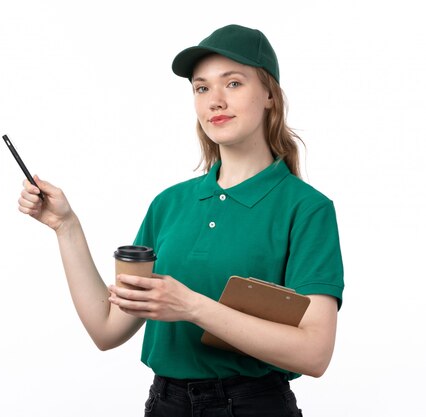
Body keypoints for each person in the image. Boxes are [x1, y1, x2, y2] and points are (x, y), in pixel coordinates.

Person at [17, 24, 343, 417]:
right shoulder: (169, 204)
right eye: (202, 88)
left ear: (270, 94)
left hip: (255, 406)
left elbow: (315, 353)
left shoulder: (306, 208)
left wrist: (191, 306)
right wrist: (65, 226)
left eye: (234, 83)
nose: (215, 101)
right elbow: (106, 327)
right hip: (165, 405)